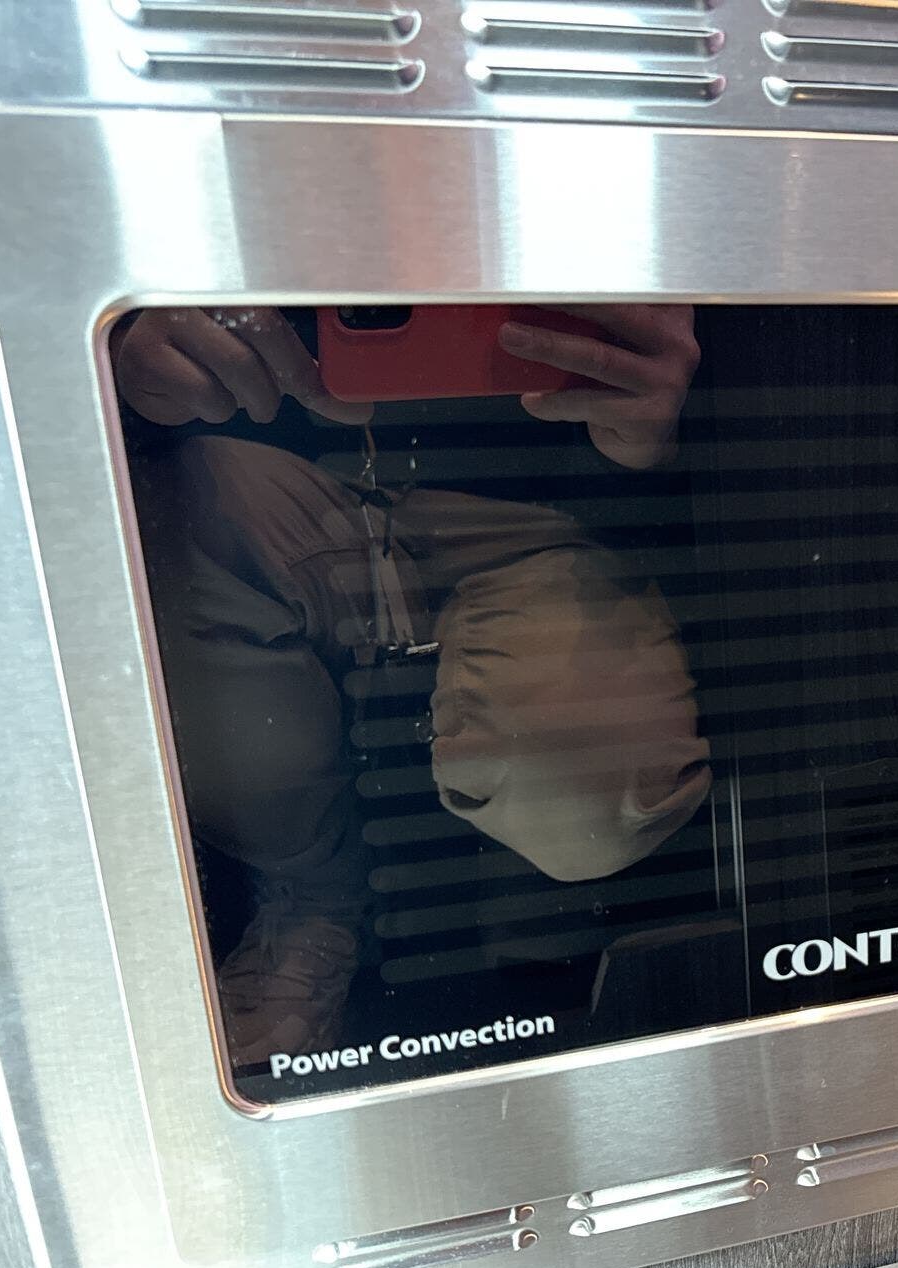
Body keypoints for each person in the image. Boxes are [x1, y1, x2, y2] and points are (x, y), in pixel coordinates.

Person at [114, 305, 711, 1068]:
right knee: (162, 535)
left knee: (586, 799)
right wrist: (119, 370)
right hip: (282, 479)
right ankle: (314, 904)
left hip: (544, 511)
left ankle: (350, 900)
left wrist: (668, 428)